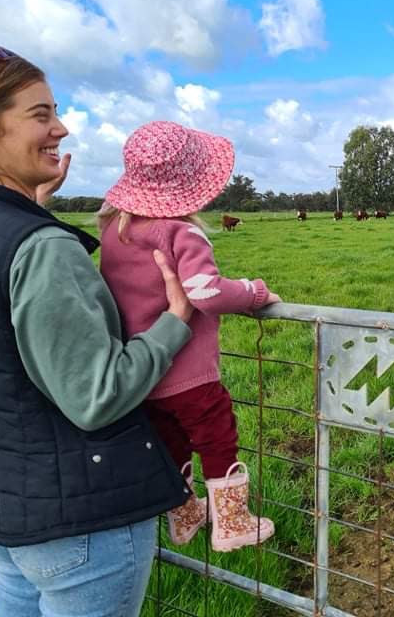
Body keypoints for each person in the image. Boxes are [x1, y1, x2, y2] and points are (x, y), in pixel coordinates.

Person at [0, 44, 197, 617]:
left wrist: (32, 207)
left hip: (3, 502)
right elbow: (97, 396)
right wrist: (174, 323)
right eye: (41, 114)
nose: (62, 128)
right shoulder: (40, 248)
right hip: (81, 522)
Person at [97, 120, 280, 551]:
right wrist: (254, 293)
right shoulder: (180, 230)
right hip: (189, 373)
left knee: (171, 442)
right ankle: (232, 524)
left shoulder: (114, 232)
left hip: (143, 369)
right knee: (217, 435)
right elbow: (206, 291)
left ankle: (185, 517)